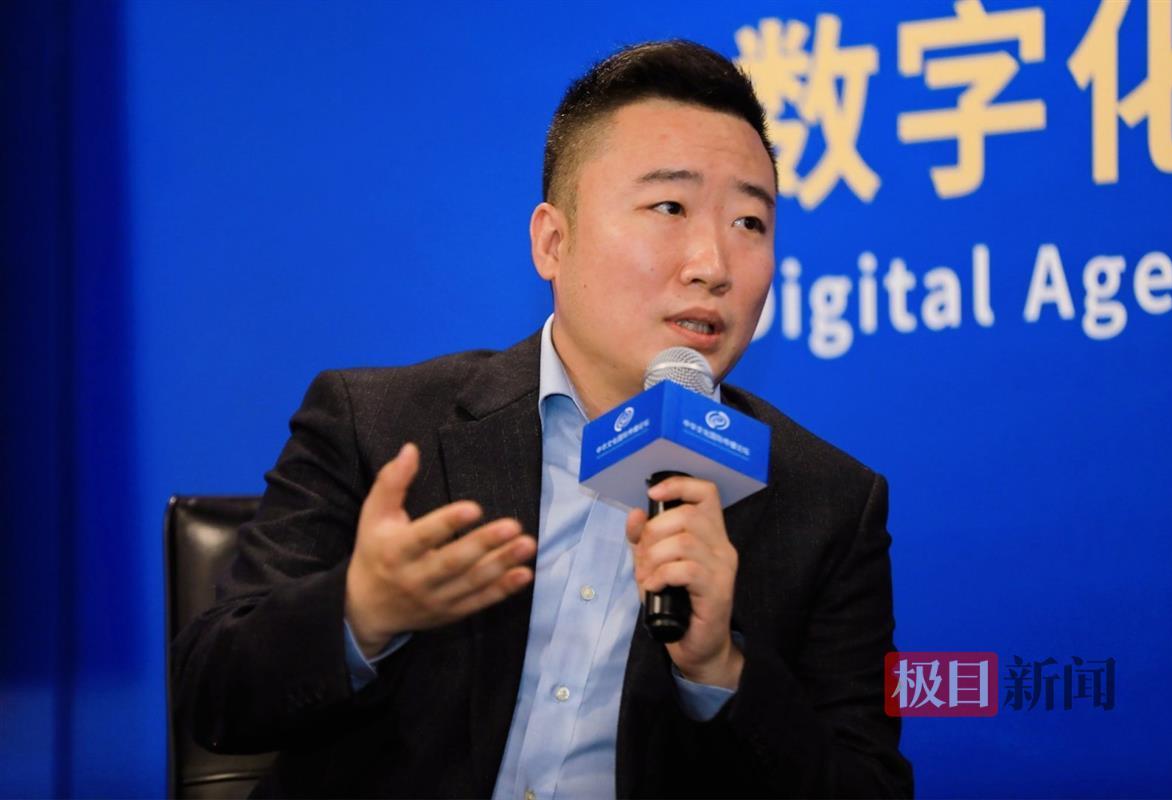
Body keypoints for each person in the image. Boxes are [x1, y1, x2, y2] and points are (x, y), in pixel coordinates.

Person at [172, 40, 913, 799]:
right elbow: (211, 694)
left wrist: (719, 669)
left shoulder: (827, 504)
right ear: (553, 242)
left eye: (750, 222)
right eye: (670, 207)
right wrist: (360, 613)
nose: (713, 264)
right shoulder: (378, 426)